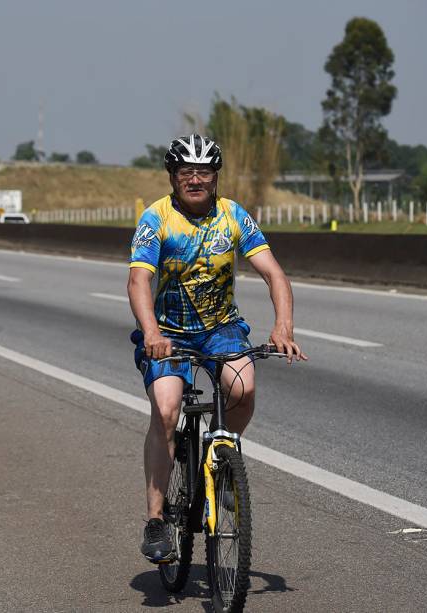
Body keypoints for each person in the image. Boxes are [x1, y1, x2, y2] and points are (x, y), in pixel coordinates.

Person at [128, 134, 307, 563]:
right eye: (186, 172)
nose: (195, 179)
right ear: (173, 176)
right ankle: (156, 521)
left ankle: (219, 458)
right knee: (167, 409)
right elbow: (139, 281)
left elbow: (275, 275)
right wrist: (151, 333)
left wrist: (283, 326)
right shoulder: (157, 220)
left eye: (203, 172)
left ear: (214, 177)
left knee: (242, 389)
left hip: (220, 329)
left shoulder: (233, 217)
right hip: (167, 331)